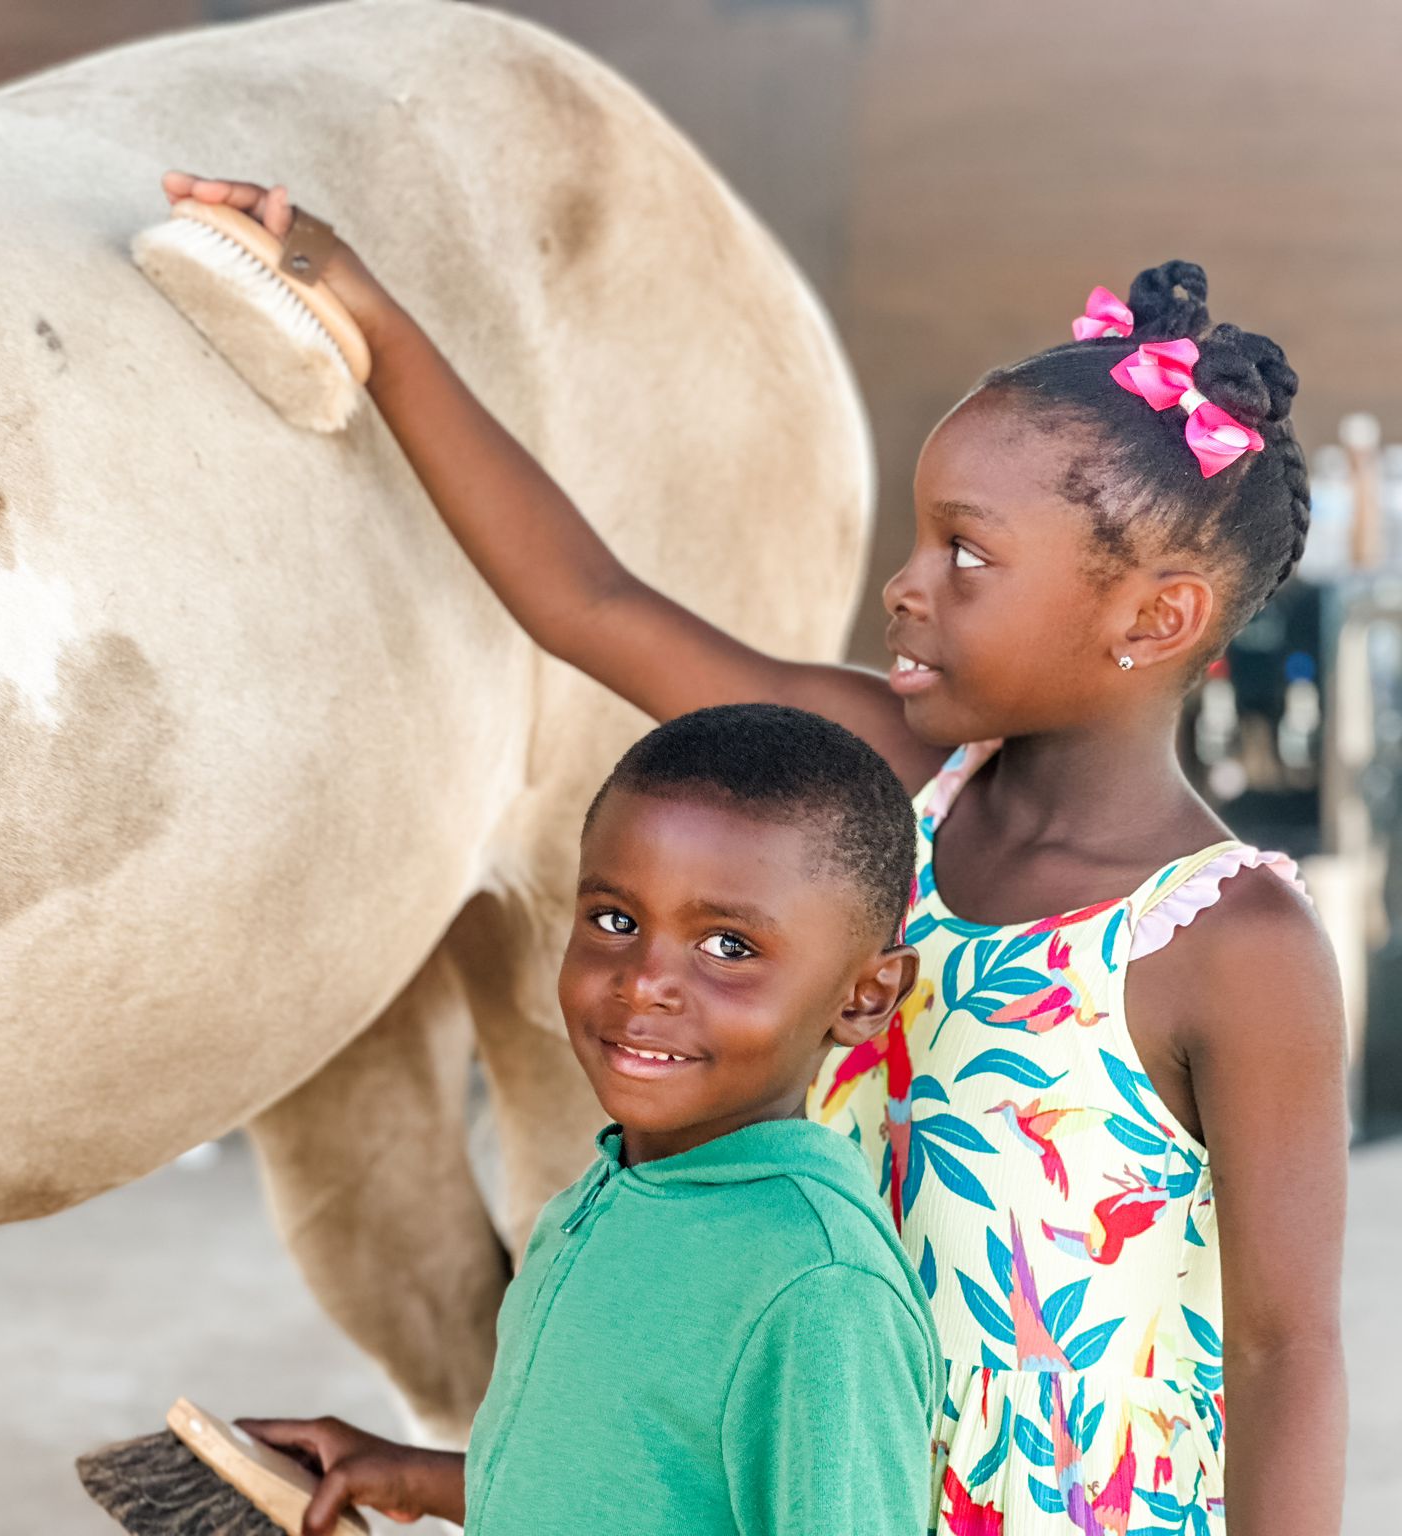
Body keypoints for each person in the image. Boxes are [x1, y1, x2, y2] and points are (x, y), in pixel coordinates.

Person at [163, 173, 1348, 1534]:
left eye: (965, 553)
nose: (905, 583)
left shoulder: (1227, 946)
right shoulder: (885, 787)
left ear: (1154, 619)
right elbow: (586, 602)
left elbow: (1285, 1355)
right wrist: (356, 298)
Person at [242, 704, 940, 1534]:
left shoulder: (818, 1293)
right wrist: (420, 1477)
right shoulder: (614, 1192)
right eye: (616, 922)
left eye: (727, 947)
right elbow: (625, 1488)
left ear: (865, 996)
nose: (643, 982)